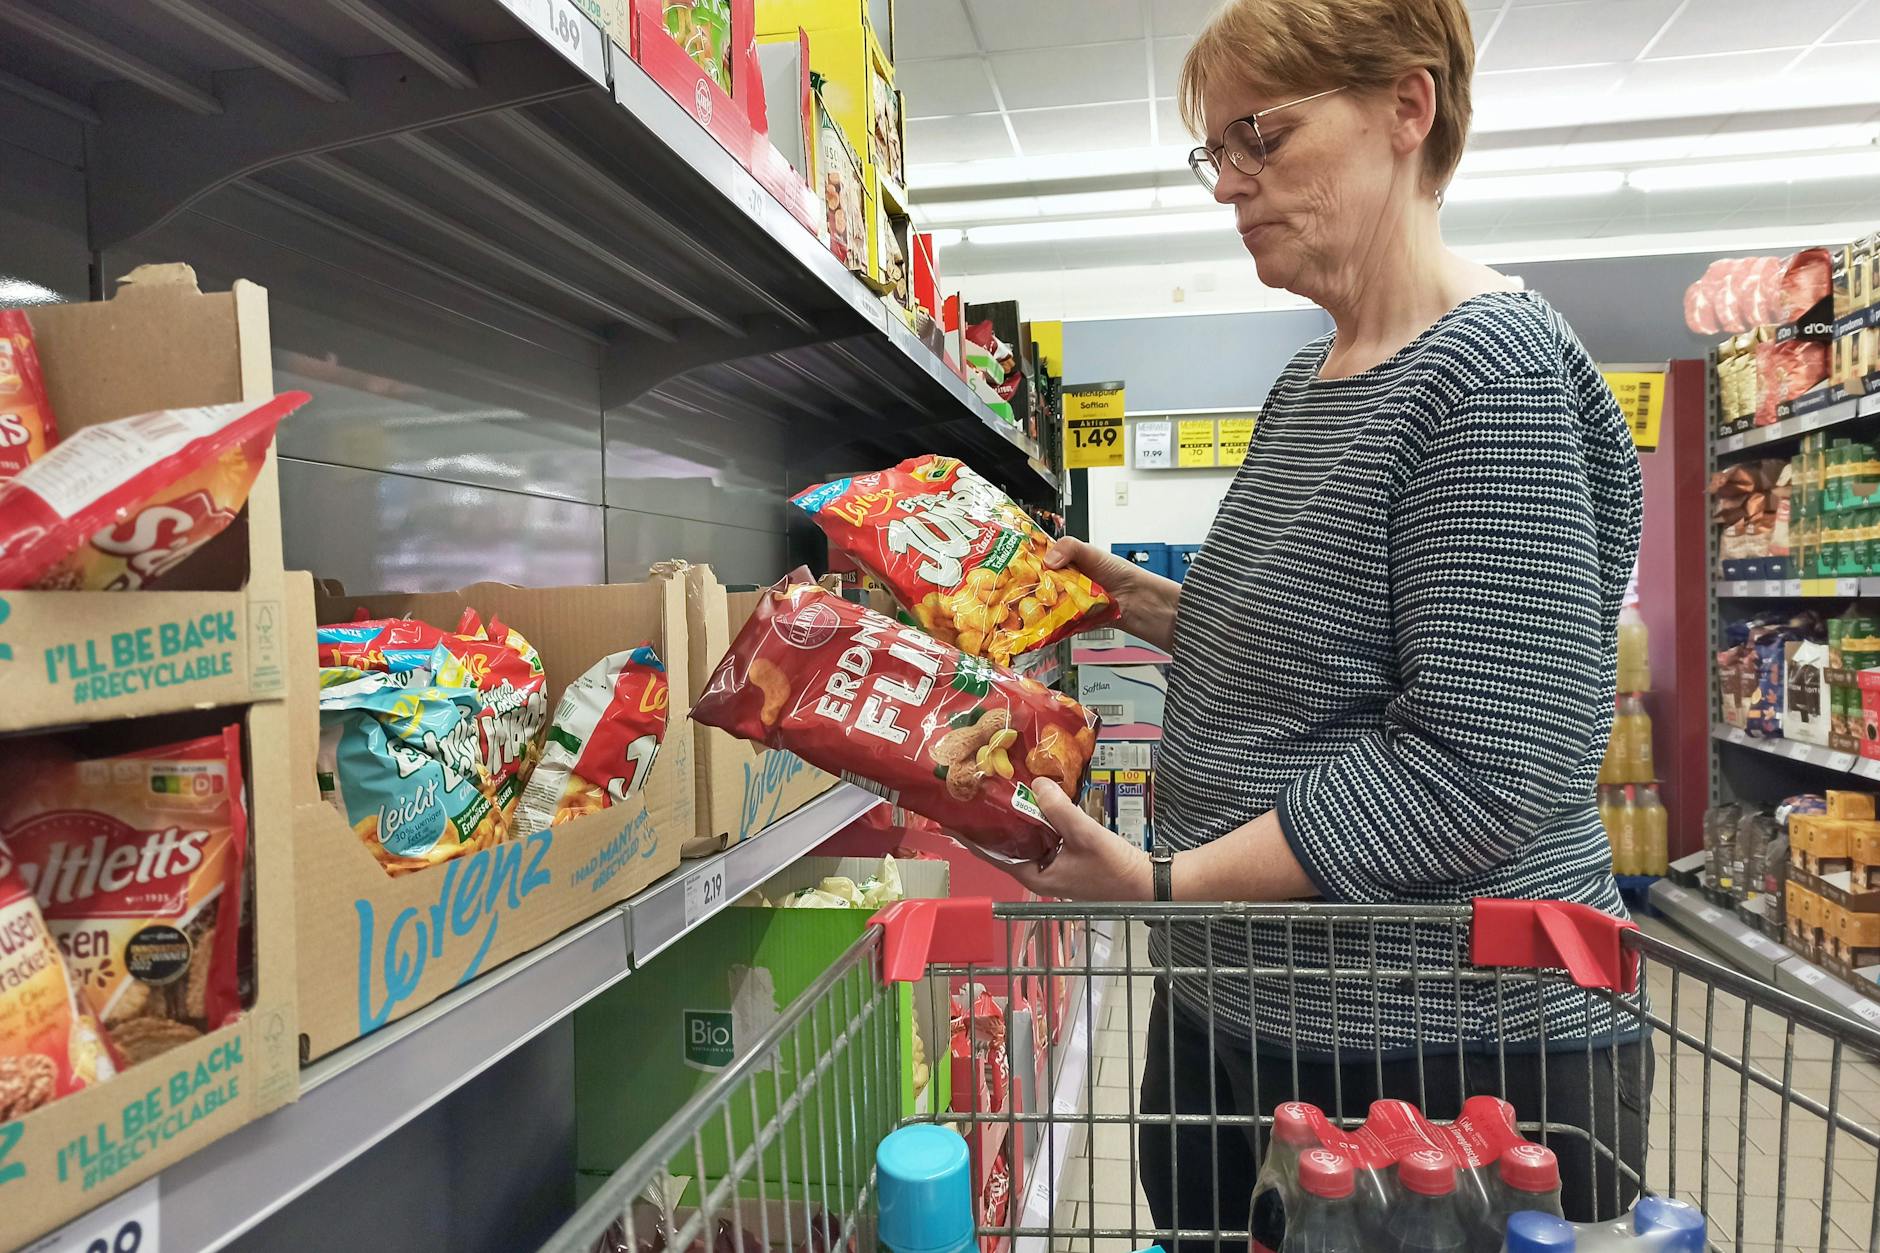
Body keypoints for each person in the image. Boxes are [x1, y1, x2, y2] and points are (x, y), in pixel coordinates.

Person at [980, 0, 1649, 1244]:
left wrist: (1164, 881)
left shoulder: (1488, 373)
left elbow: (1479, 764)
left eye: (1263, 136)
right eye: (1215, 150)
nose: (1228, 184)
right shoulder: (1311, 376)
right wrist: (1143, 601)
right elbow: (1330, 646)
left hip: (1433, 1059)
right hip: (1245, 1003)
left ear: (1406, 108)